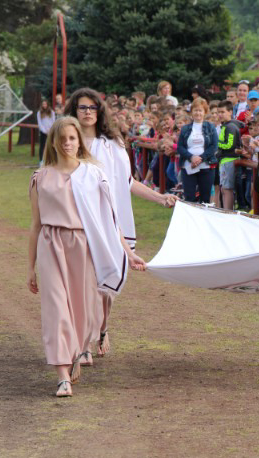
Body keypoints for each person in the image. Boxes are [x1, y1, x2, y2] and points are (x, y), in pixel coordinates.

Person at [27, 117, 146, 397]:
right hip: (51, 244)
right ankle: (62, 376)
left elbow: (109, 220)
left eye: (72, 138)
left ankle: (78, 351)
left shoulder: (93, 175)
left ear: (79, 141)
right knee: (56, 308)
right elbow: (35, 225)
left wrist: (128, 253)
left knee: (83, 310)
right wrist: (30, 268)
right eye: (62, 139)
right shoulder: (40, 178)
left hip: (83, 245)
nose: (67, 143)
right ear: (53, 142)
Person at [64, 88, 176, 355]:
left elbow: (127, 182)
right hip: (76, 221)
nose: (88, 112)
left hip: (110, 222)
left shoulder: (112, 144)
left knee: (107, 285)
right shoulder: (66, 141)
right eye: (82, 107)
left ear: (99, 111)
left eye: (92, 107)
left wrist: (160, 198)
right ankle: (84, 342)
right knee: (84, 283)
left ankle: (102, 328)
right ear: (74, 110)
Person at [177, 98, 218, 203]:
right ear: (191, 112)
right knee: (189, 197)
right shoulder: (185, 128)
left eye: (200, 110)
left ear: (205, 112)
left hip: (206, 165)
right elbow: (180, 147)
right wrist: (191, 157)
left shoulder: (210, 127)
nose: (198, 113)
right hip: (188, 166)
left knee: (205, 198)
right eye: (195, 110)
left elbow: (214, 146)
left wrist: (200, 158)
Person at [37, 100, 55, 164]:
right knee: (42, 146)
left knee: (51, 146)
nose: (44, 105)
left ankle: (52, 160)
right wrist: (44, 131)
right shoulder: (39, 113)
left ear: (47, 105)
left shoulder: (52, 112)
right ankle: (41, 161)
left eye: (45, 104)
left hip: (50, 131)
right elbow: (40, 123)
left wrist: (50, 130)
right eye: (43, 104)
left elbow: (53, 121)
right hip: (43, 132)